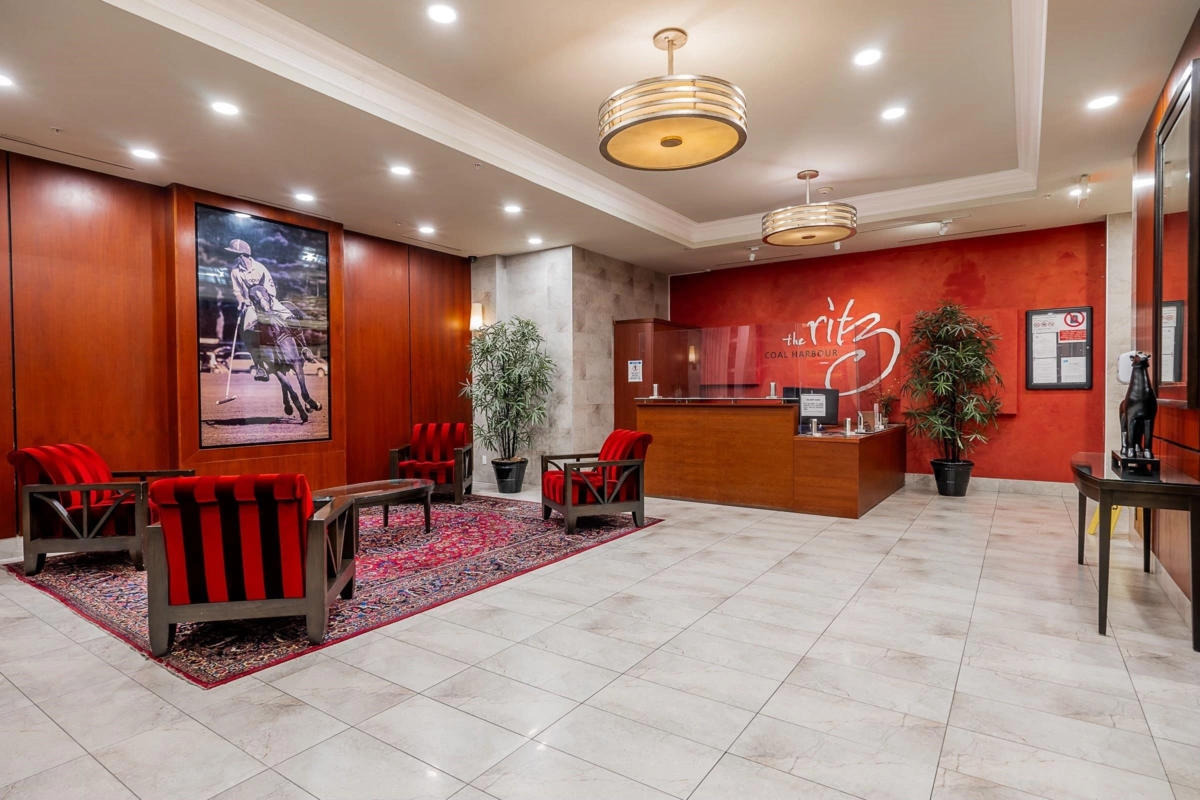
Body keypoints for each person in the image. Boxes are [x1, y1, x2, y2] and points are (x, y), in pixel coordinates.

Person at [226, 238, 298, 382]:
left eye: (234, 254)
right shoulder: (235, 271)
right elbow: (237, 292)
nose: (231, 257)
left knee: (291, 318)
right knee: (247, 331)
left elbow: (270, 287)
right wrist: (241, 302)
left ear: (243, 255)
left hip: (268, 301)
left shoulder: (260, 267)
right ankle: (260, 367)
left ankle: (303, 351)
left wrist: (266, 302)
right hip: (250, 305)